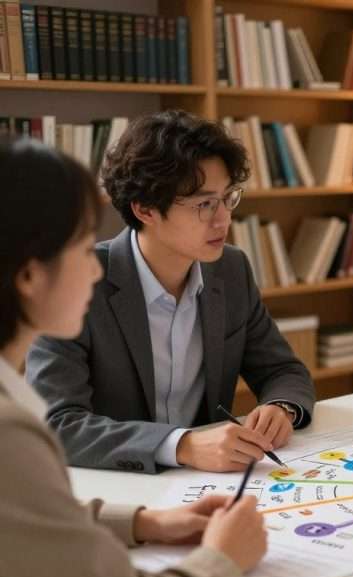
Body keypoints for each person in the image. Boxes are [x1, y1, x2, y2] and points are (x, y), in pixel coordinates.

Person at [0, 138, 267, 577]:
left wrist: (145, 522)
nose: (95, 269)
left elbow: (23, 513)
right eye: (84, 249)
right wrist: (222, 560)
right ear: (29, 275)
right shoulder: (9, 433)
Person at [26, 110, 315, 474]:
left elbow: (283, 370)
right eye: (203, 204)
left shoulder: (231, 269)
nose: (223, 219)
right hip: (114, 491)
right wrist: (182, 445)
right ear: (145, 208)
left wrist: (281, 407)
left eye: (228, 198)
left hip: (208, 483)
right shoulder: (77, 280)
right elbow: (56, 423)